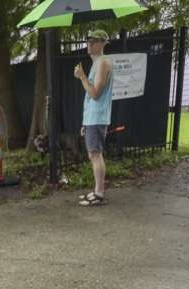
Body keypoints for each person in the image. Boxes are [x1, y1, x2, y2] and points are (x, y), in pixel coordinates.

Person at [74, 29, 114, 206]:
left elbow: (95, 93)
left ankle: (99, 193)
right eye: (88, 41)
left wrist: (82, 77)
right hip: (92, 117)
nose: (89, 44)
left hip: (97, 116)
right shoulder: (97, 63)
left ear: (103, 43)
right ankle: (97, 191)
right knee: (93, 154)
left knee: (95, 154)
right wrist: (85, 122)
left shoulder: (103, 63)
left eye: (94, 41)